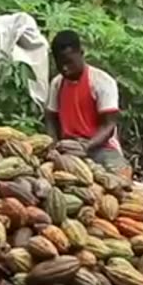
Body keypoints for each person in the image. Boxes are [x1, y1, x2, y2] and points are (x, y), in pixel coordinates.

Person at [44, 30, 131, 178]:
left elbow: (108, 125)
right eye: (60, 64)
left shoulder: (101, 81)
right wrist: (53, 143)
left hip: (100, 147)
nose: (65, 68)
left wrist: (86, 146)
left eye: (69, 62)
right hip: (68, 147)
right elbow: (50, 117)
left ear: (81, 53)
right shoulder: (57, 83)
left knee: (120, 177)